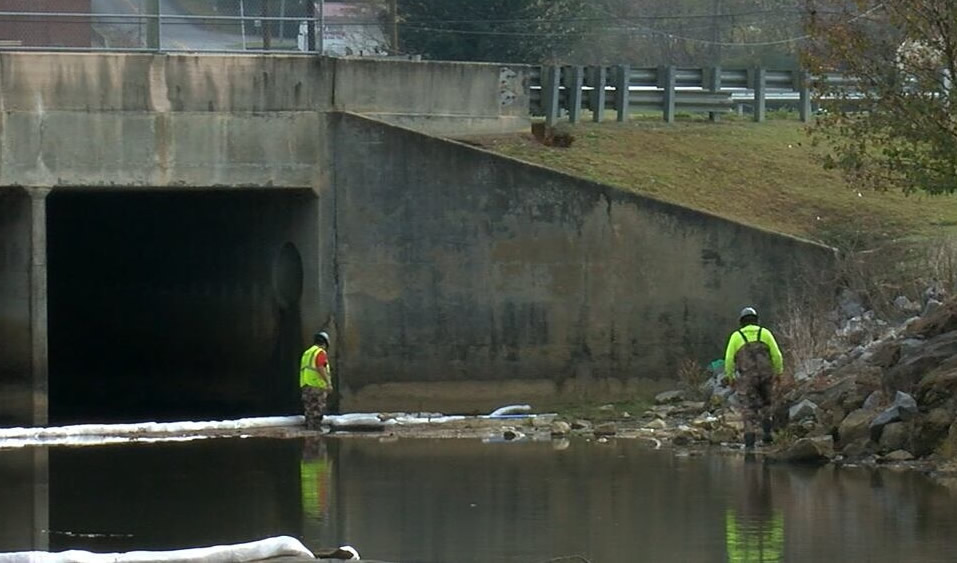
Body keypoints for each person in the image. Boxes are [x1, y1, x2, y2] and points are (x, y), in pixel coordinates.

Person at [724, 307, 784, 449]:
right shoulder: (765, 333)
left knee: (748, 409)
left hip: (746, 379)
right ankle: (767, 435)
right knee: (767, 404)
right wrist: (779, 372)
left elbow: (728, 359)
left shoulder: (736, 336)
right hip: (766, 376)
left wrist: (730, 376)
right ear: (756, 320)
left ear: (741, 322)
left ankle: (749, 443)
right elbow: (777, 355)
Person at [300, 331, 333, 430]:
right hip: (316, 386)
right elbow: (320, 367)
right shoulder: (320, 352)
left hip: (306, 386)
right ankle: (316, 438)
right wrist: (328, 383)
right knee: (317, 412)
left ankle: (310, 435)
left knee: (309, 412)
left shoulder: (307, 353)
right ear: (325, 343)